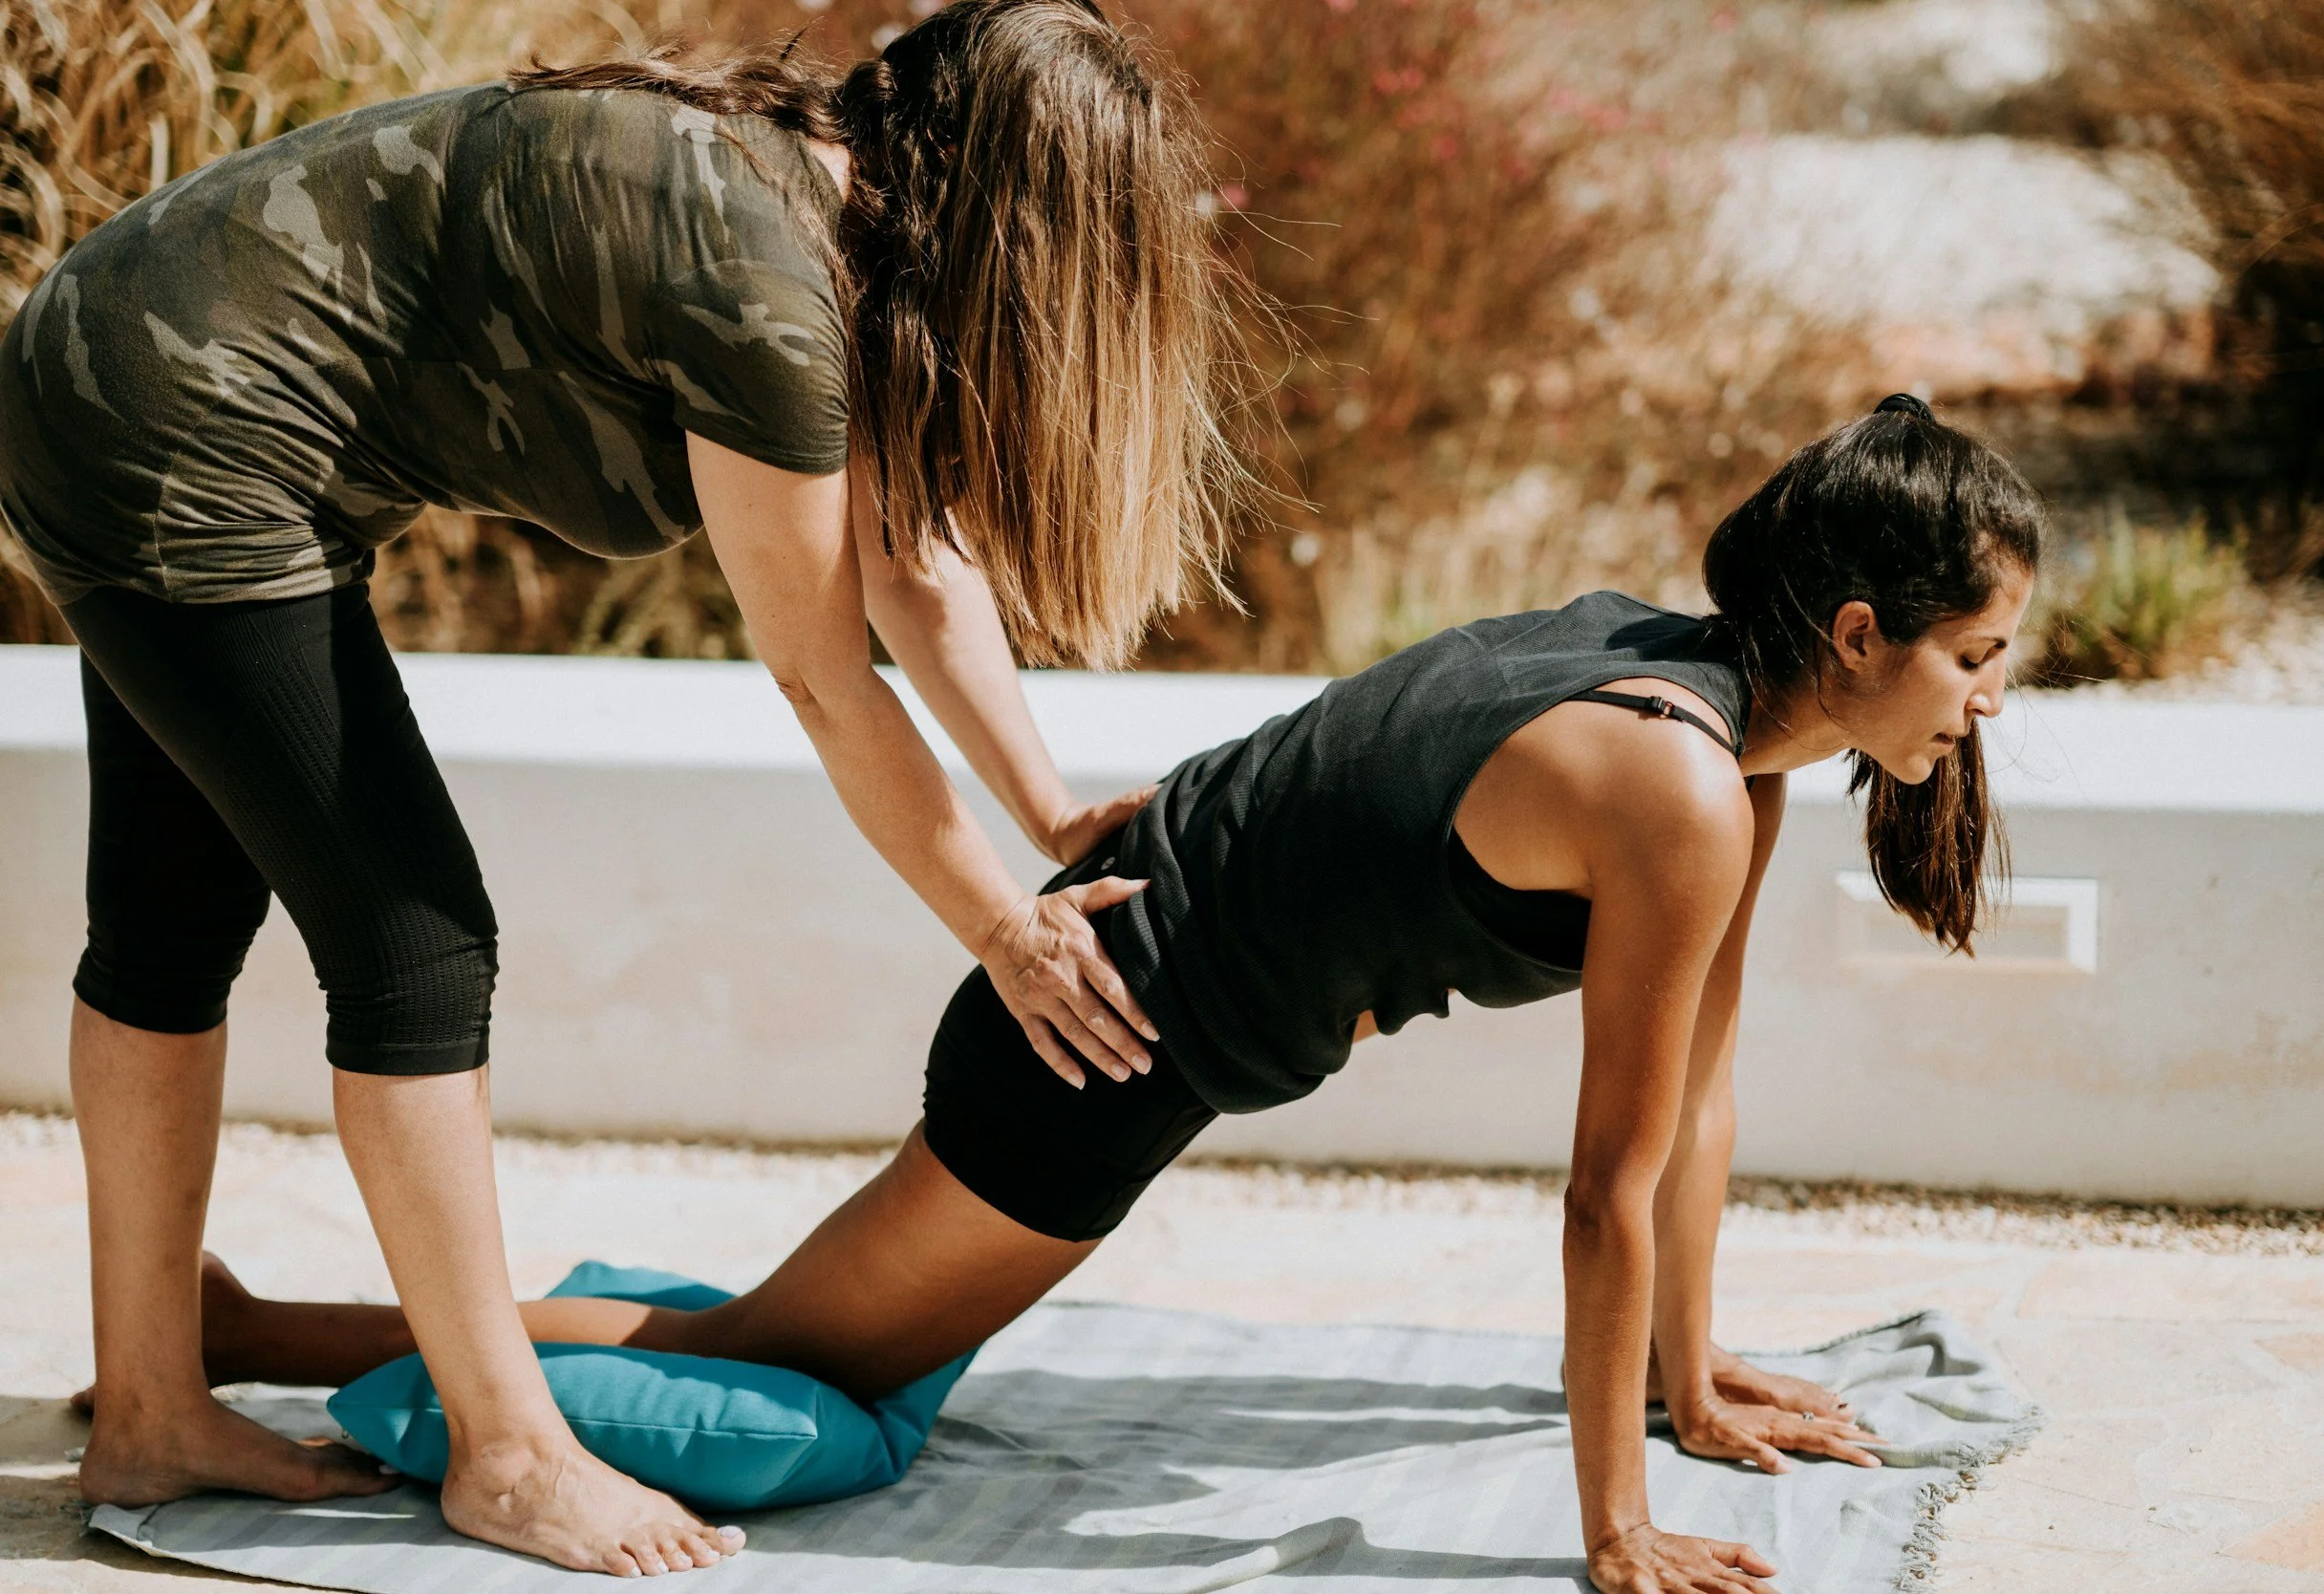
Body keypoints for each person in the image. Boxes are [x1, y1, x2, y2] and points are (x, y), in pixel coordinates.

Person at [183, 398, 2046, 1592]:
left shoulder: (1720, 728)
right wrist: (1615, 1529)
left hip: (1125, 976)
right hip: (1094, 1033)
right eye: (1971, 657)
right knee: (781, 1363)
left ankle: (261, 1326)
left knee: (791, 1337)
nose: (1983, 703)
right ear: (1857, 636)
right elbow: (1601, 1187)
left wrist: (1685, 1385)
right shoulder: (1674, 785)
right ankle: (255, 1339)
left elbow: (1693, 1107)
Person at [0, 0, 1258, 1575]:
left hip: (121, 362)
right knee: (416, 944)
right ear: (1016, 214)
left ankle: (152, 1408)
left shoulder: (831, 217)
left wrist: (1054, 818)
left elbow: (912, 569)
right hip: (177, 415)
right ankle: (511, 1455)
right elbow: (821, 676)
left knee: (171, 925)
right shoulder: (768, 289)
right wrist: (1008, 930)